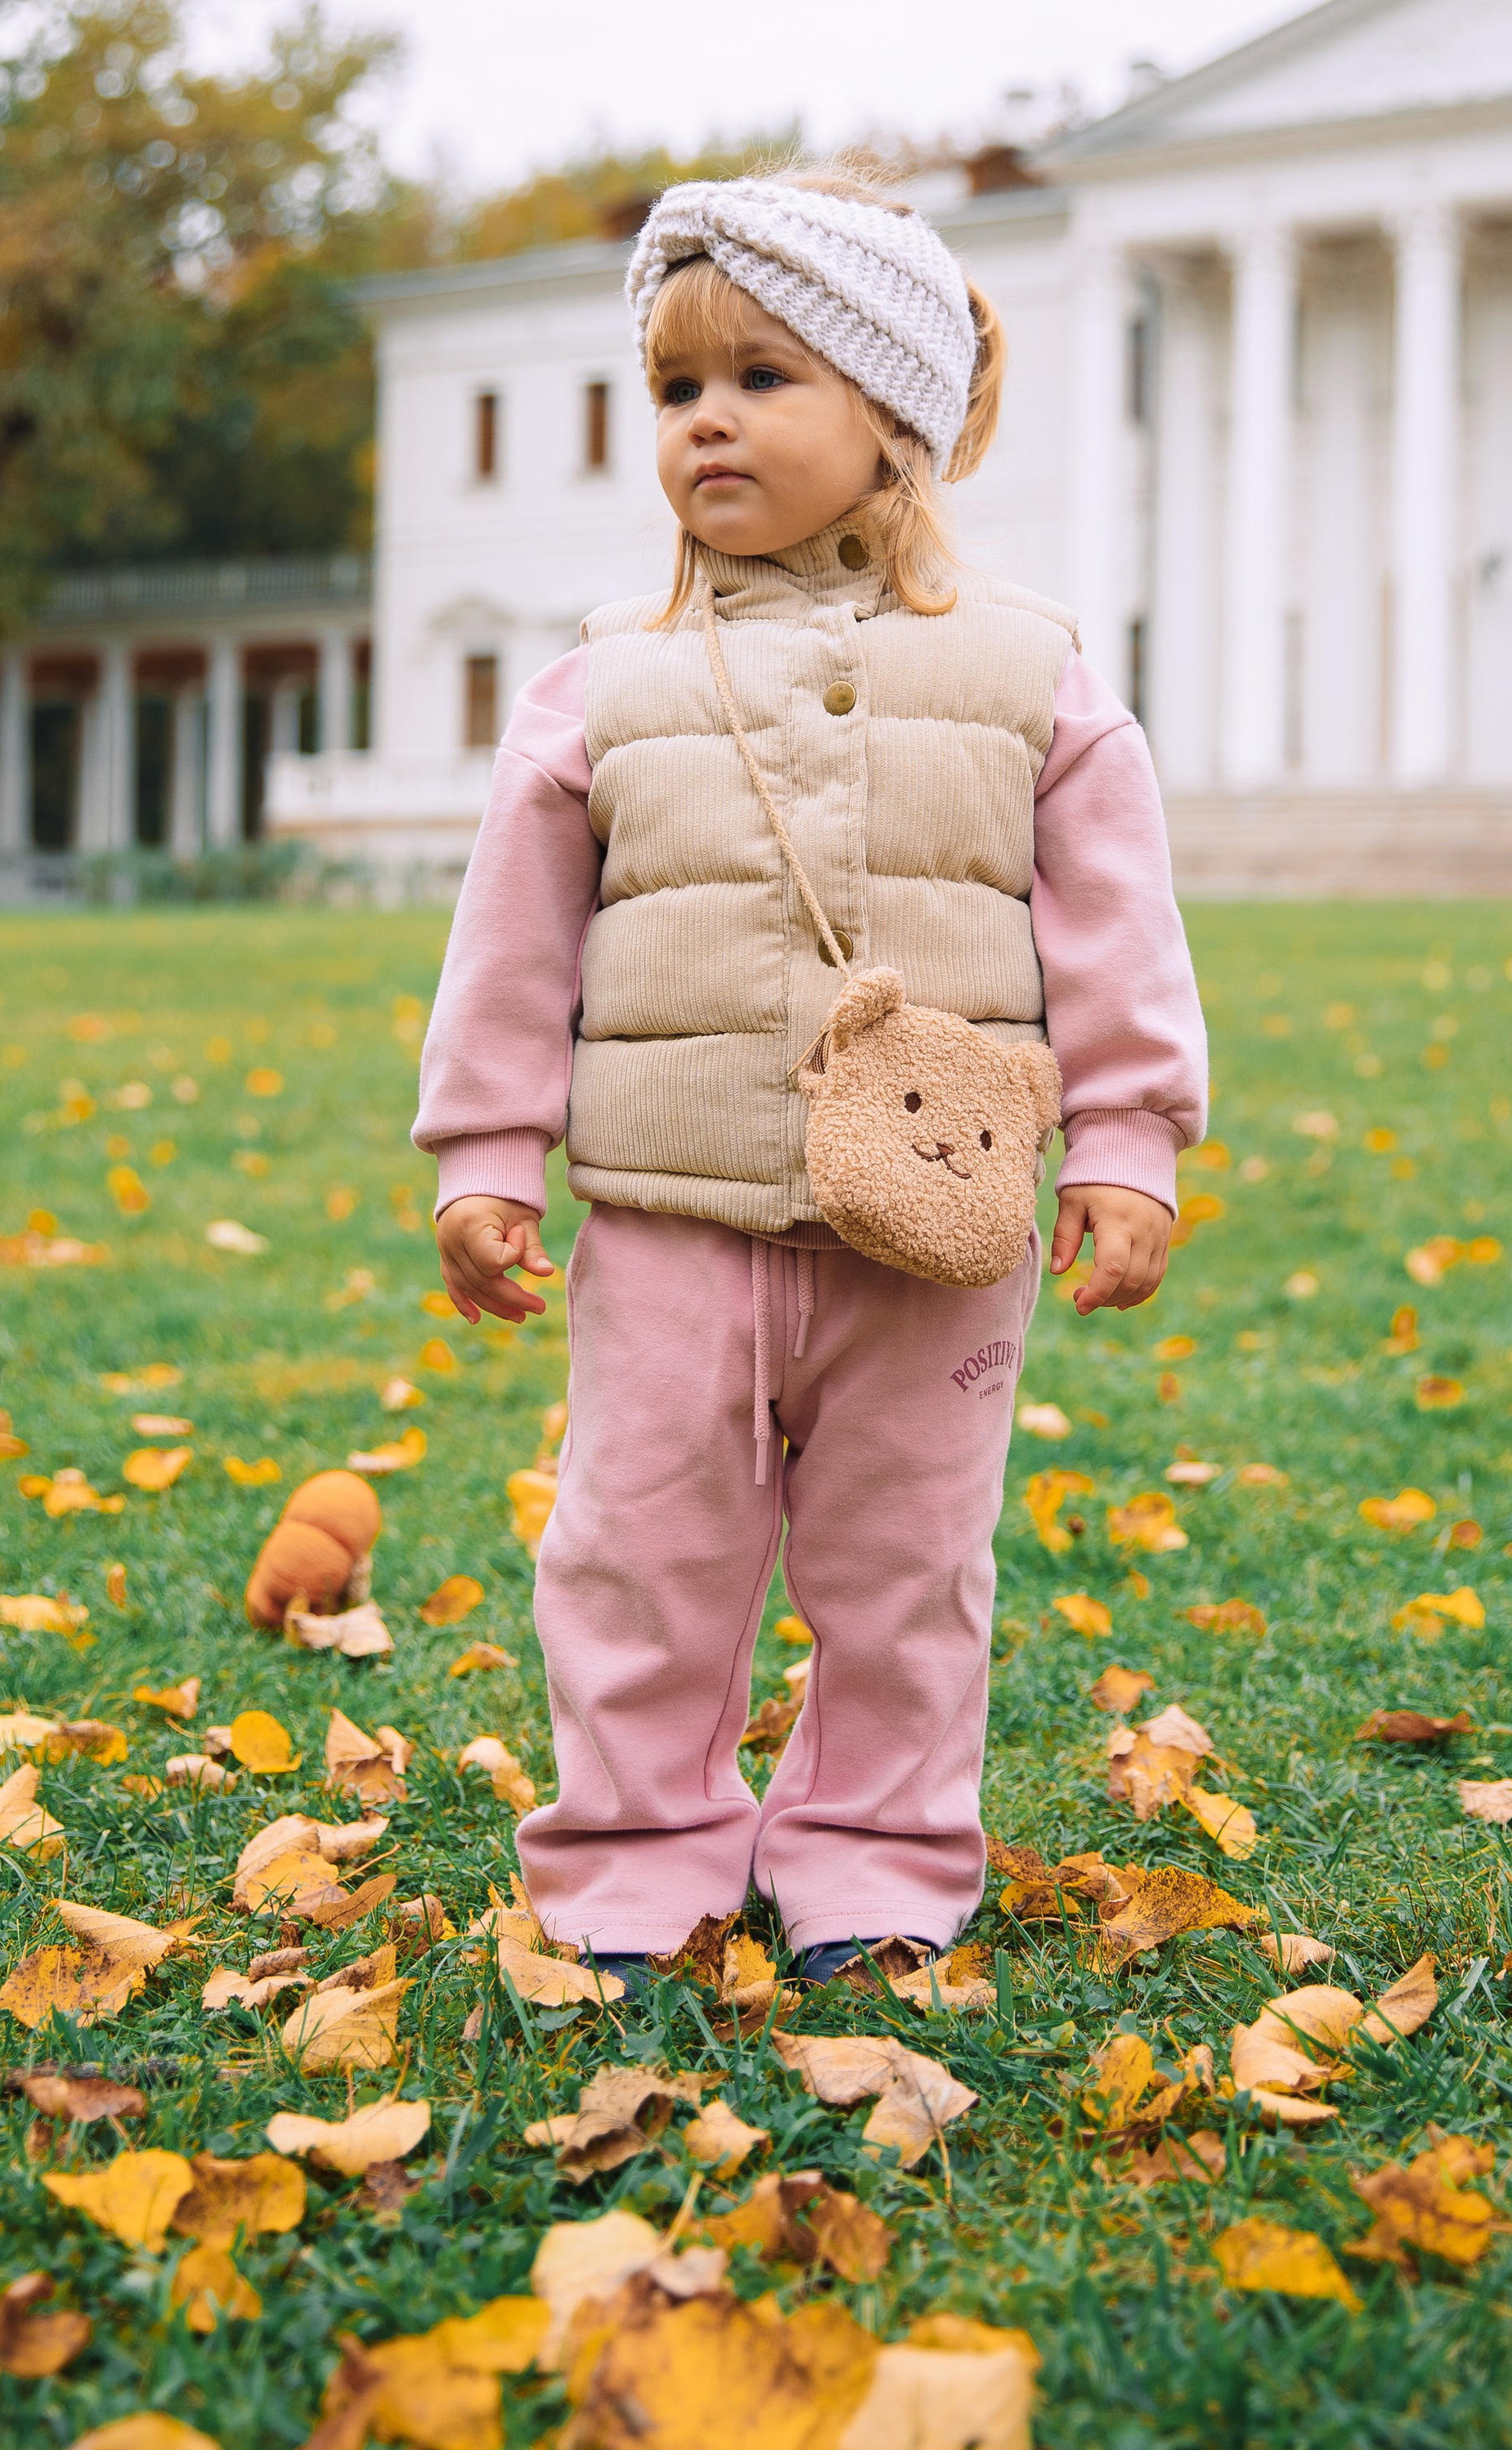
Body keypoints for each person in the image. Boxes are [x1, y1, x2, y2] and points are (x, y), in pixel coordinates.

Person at [415, 165, 1206, 1985]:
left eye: (761, 378)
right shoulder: (605, 684)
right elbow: (511, 947)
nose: (705, 419)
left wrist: (1128, 1136)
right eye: (675, 386)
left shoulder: (1030, 674)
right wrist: (486, 1154)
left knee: (906, 1569)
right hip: (670, 1215)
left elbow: (1116, 929)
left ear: (892, 415)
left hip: (935, 1232)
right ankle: (635, 1862)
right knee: (636, 1559)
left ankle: (876, 1857)